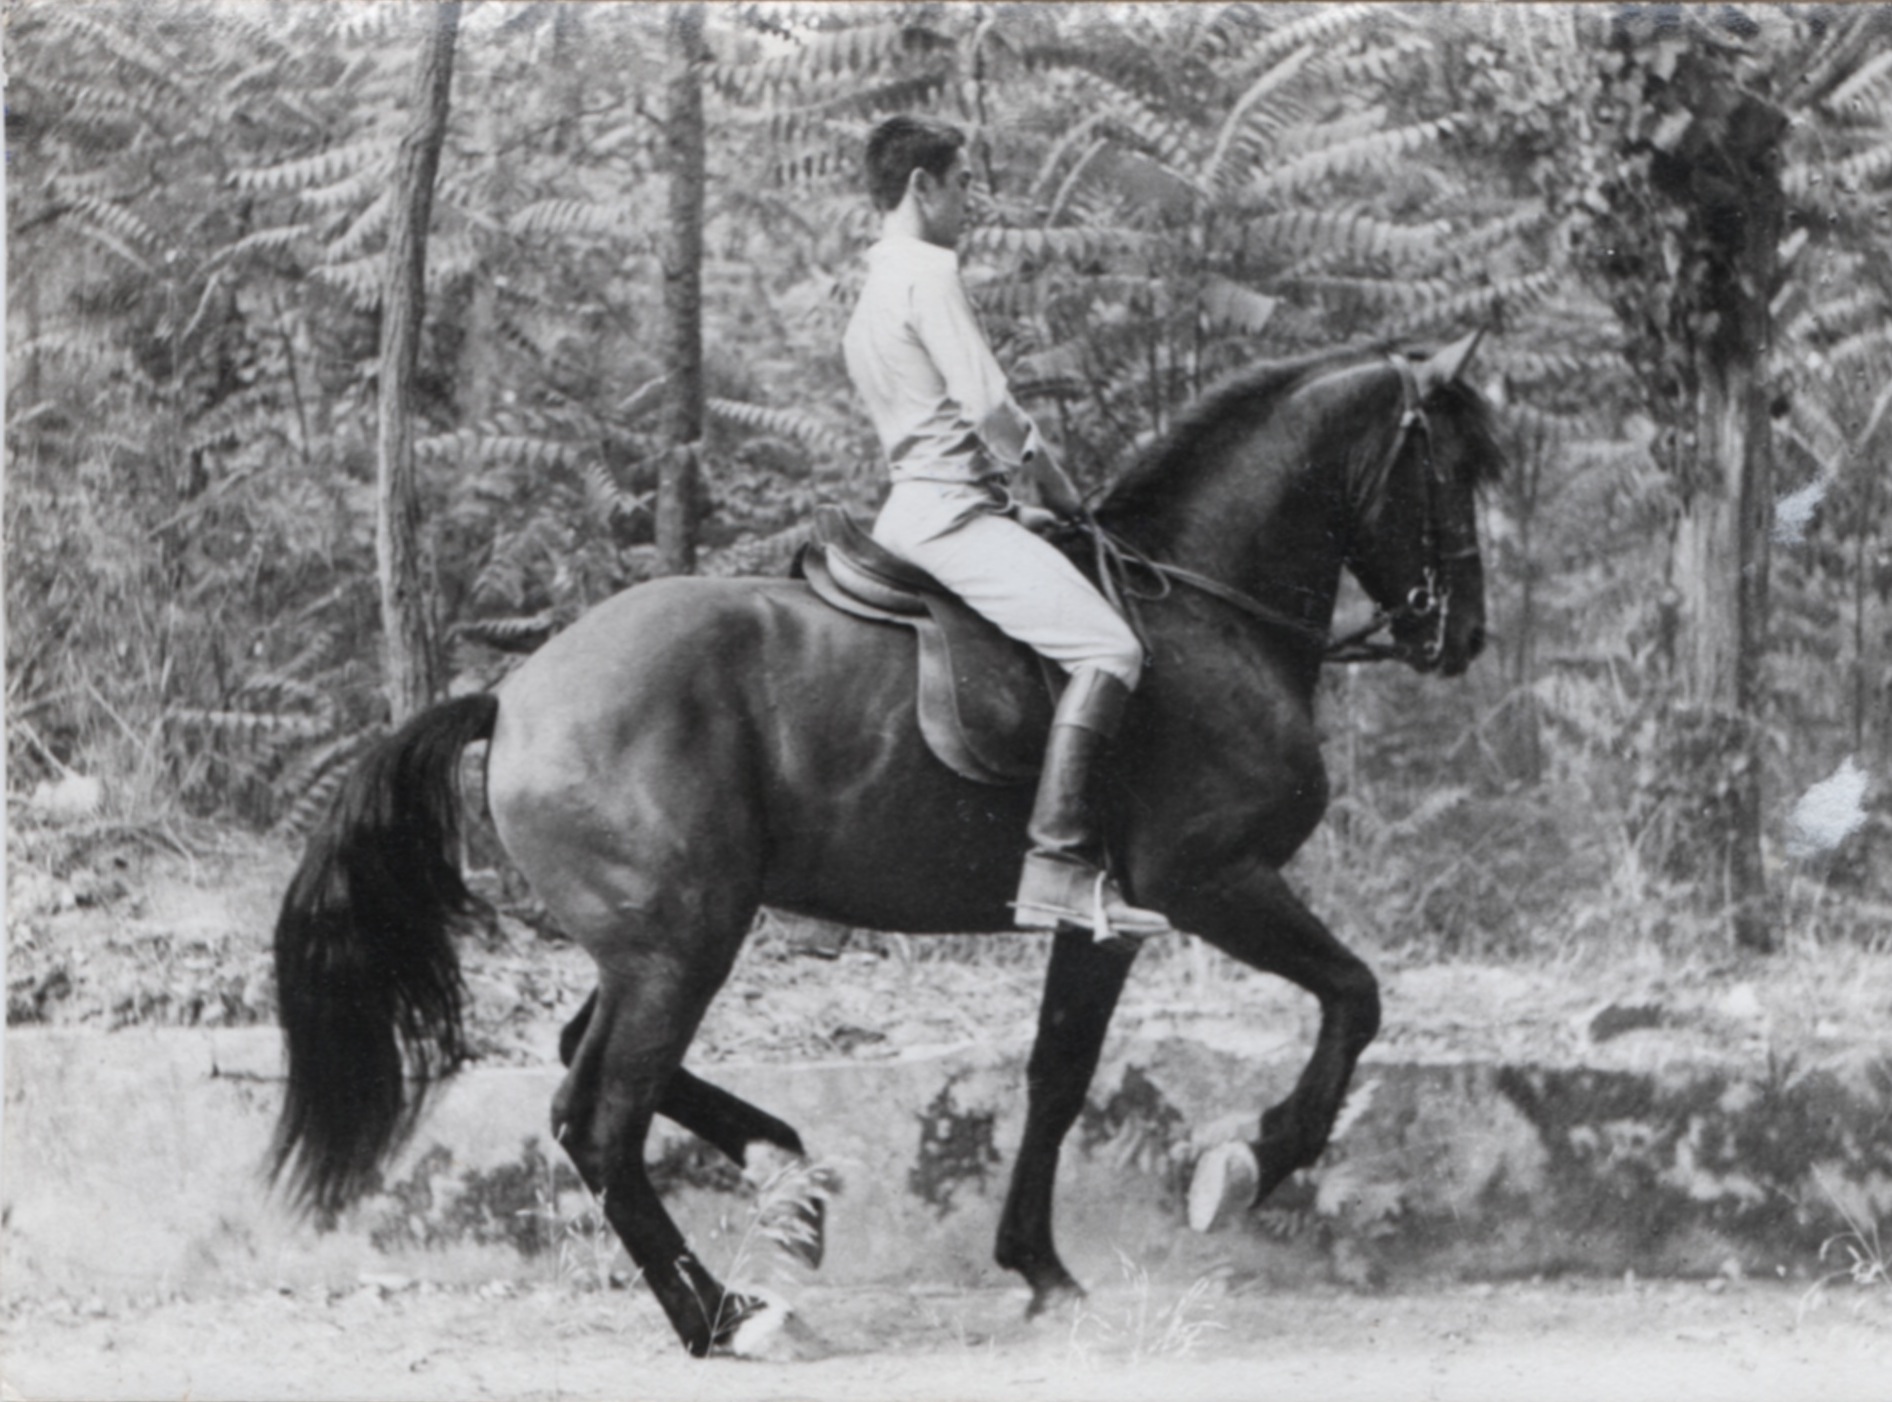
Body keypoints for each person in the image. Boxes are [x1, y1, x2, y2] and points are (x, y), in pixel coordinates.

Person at [842, 114, 1172, 944]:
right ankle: (1058, 865)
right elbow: (989, 407)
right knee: (1112, 650)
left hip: (918, 509)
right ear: (921, 186)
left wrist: (1012, 504)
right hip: (951, 518)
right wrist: (1056, 488)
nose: (971, 202)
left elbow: (924, 431)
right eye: (961, 183)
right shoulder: (928, 273)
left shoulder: (872, 290)